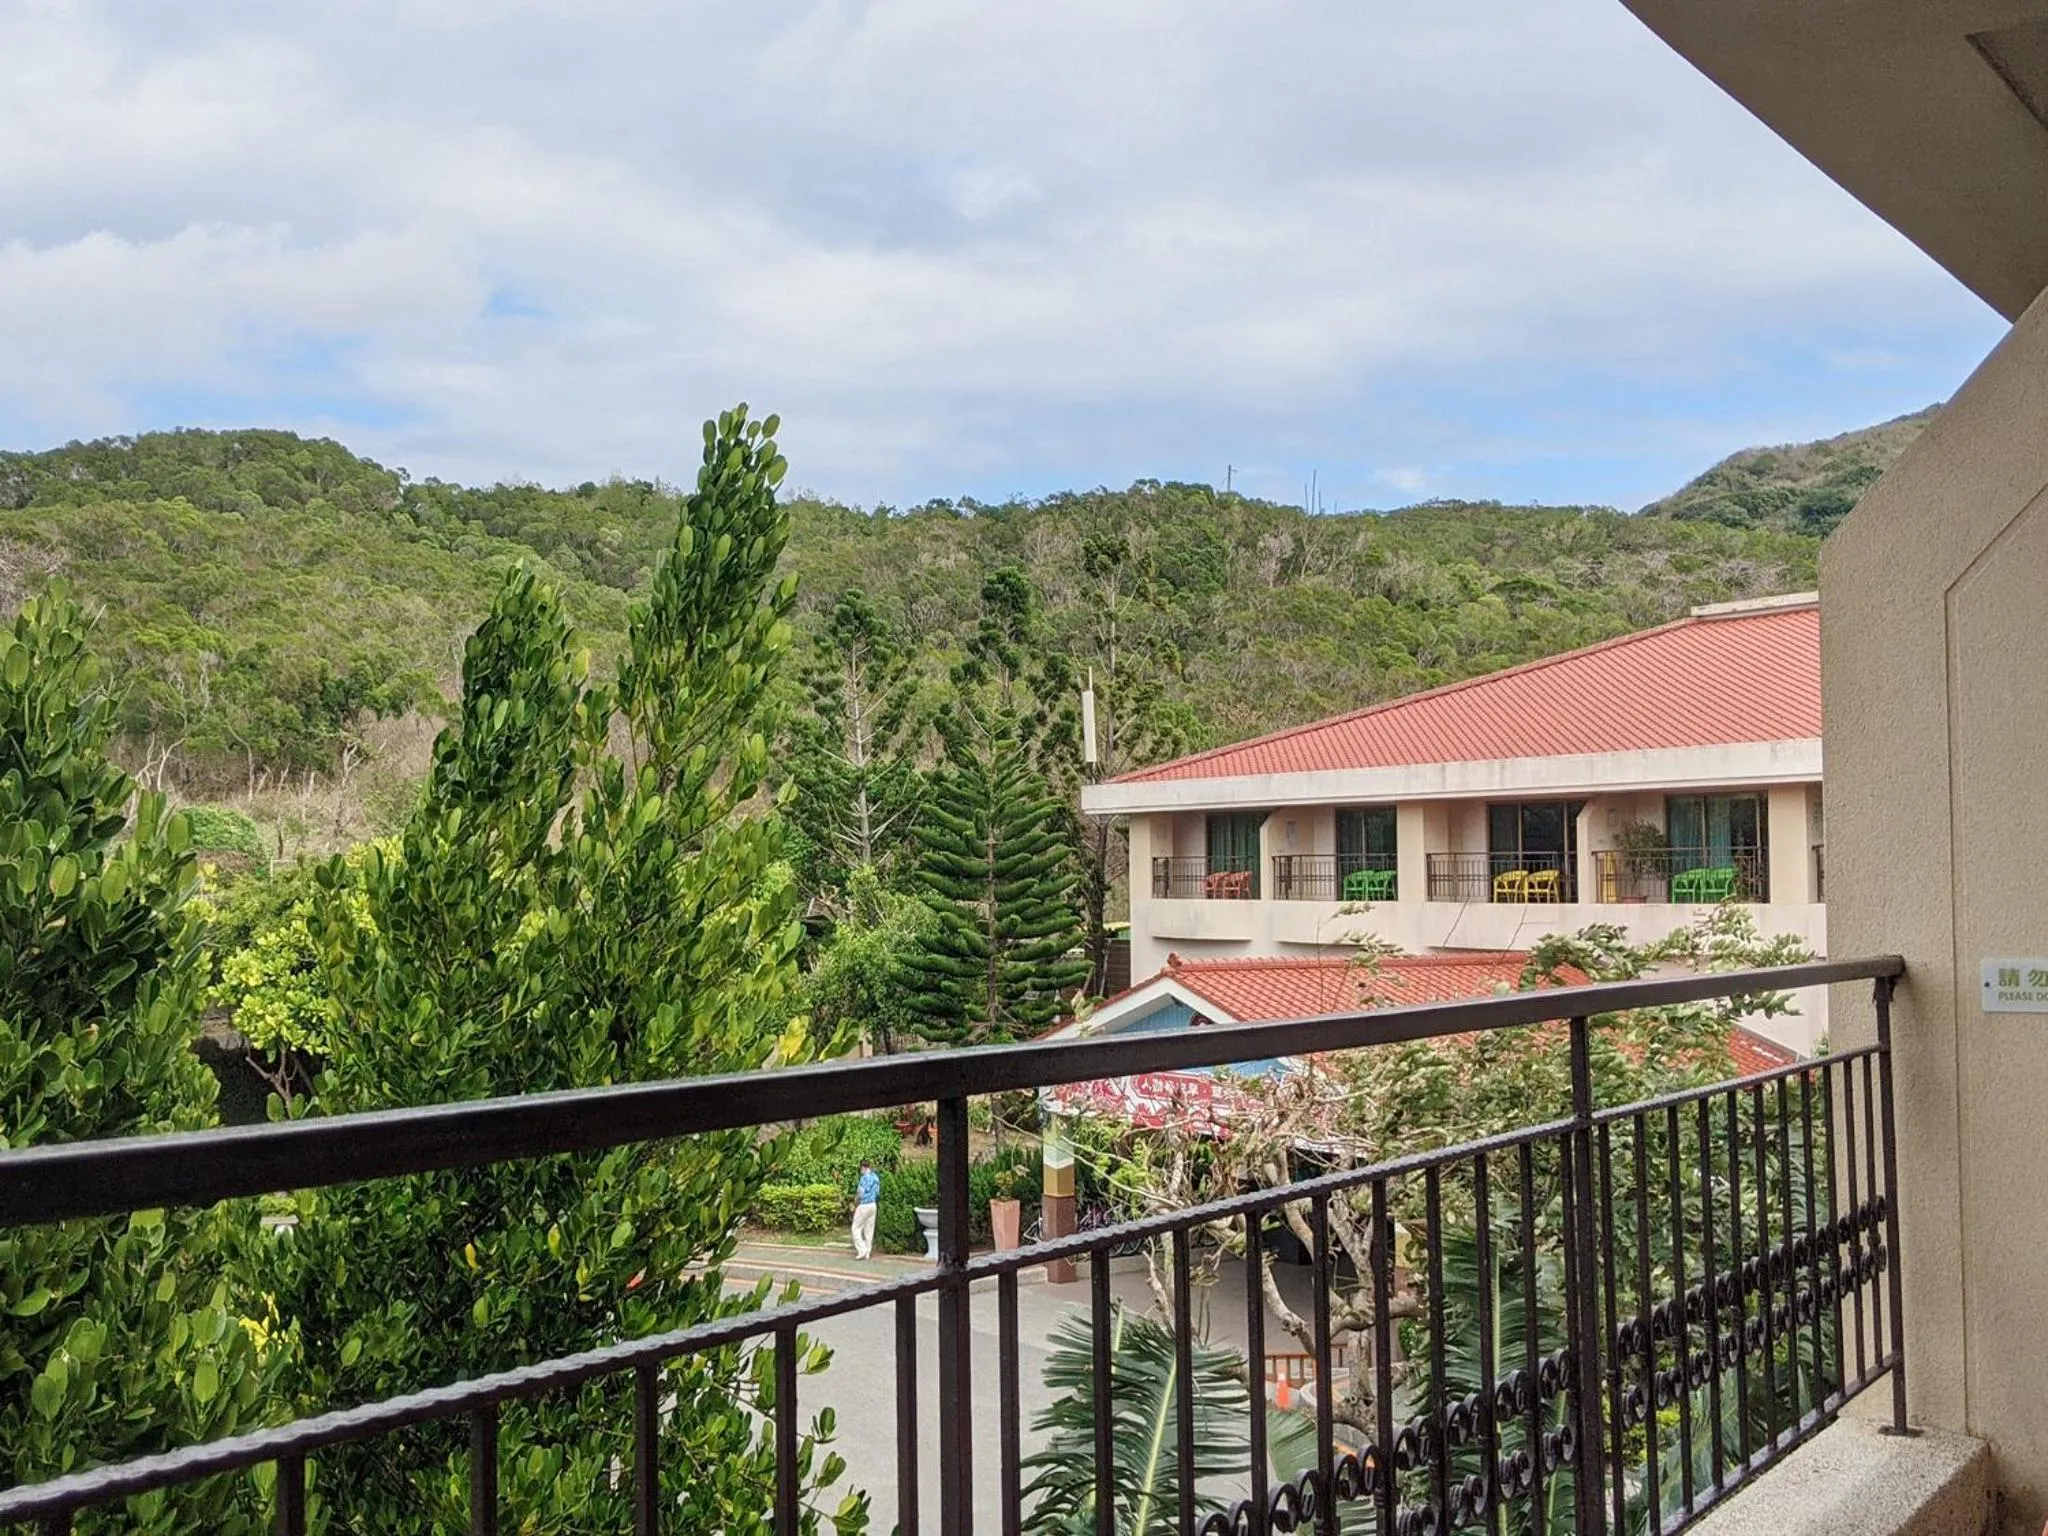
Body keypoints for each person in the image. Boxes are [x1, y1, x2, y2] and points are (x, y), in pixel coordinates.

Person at [851, 1160, 881, 1260]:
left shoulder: (864, 1178)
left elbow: (860, 1193)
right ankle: (868, 1251)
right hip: (873, 1205)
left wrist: (855, 1203)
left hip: (864, 1205)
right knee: (869, 1229)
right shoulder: (876, 1178)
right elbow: (877, 1192)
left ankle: (862, 1249)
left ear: (863, 1167)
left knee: (855, 1227)